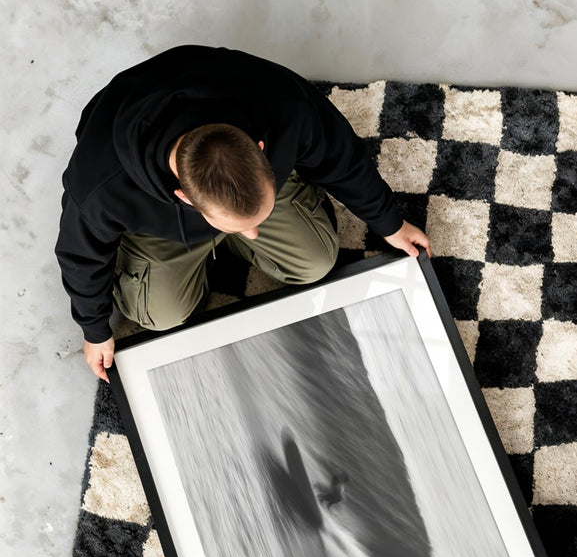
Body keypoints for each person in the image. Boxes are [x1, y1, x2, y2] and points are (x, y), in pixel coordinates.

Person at [55, 45, 432, 381]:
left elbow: (342, 158)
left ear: (262, 149)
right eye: (241, 228)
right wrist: (94, 329)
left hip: (237, 164)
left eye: (256, 221)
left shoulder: (284, 103)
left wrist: (389, 222)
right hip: (157, 228)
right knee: (161, 316)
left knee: (316, 262)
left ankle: (248, 212)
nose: (253, 234)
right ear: (185, 198)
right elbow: (80, 255)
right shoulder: (100, 186)